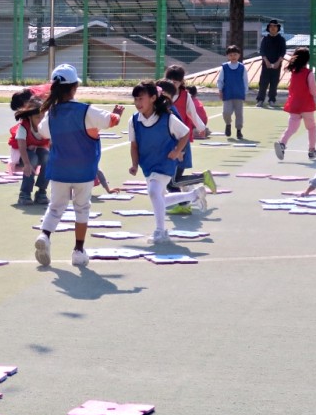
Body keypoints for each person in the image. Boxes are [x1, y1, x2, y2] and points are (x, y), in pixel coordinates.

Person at [33, 64, 124, 268]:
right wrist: (117, 113)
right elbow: (111, 121)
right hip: (83, 170)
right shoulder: (86, 110)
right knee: (82, 209)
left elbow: (43, 132)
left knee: (55, 207)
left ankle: (45, 235)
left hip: (58, 169)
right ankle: (78, 251)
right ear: (74, 87)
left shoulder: (52, 113)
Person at [128, 80, 207, 244]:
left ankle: (161, 231)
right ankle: (194, 195)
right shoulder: (134, 121)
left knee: (153, 192)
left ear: (152, 98)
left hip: (165, 162)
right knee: (159, 197)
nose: (137, 103)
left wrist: (177, 151)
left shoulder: (167, 118)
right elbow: (134, 145)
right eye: (135, 99)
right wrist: (134, 164)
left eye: (140, 98)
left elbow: (185, 133)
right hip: (148, 164)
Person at [274, 47, 316, 161]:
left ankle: (282, 143)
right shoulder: (308, 73)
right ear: (307, 59)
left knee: (291, 128)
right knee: (311, 128)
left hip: (294, 105)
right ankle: (312, 150)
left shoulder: (293, 72)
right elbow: (313, 91)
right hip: (306, 105)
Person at [10, 88, 50, 206]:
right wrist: (26, 164)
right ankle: (25, 194)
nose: (41, 119)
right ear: (30, 117)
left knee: (48, 159)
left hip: (40, 149)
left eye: (43, 116)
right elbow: (22, 147)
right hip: (22, 153)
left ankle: (41, 192)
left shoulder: (47, 125)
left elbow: (53, 144)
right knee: (32, 159)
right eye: (37, 117)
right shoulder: (23, 127)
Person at [217, 45, 247, 139]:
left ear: (239, 55)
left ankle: (239, 130)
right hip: (227, 93)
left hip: (239, 94)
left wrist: (245, 92)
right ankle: (228, 124)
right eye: (230, 55)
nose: (233, 57)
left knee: (239, 113)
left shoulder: (242, 67)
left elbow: (245, 81)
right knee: (226, 112)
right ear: (227, 56)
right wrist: (220, 90)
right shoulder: (224, 67)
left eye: (235, 54)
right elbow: (220, 80)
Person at [256, 19, 286, 108]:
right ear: (268, 28)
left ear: (278, 28)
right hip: (266, 65)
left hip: (277, 65)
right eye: (271, 26)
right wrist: (266, 61)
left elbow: (283, 52)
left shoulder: (281, 39)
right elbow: (262, 51)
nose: (273, 28)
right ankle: (260, 100)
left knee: (274, 83)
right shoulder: (265, 39)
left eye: (275, 26)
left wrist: (278, 62)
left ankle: (272, 100)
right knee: (263, 83)